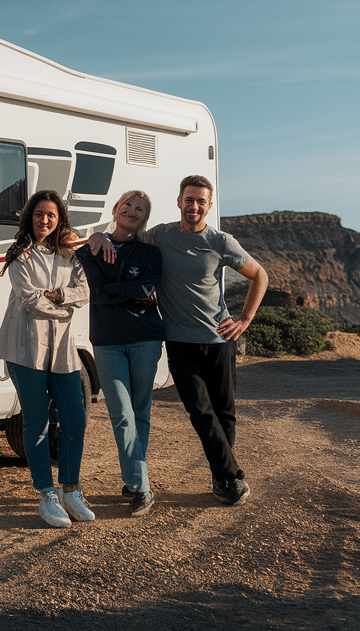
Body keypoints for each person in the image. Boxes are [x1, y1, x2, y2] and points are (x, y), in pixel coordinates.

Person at [88, 175, 268, 506]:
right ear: (179, 201)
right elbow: (127, 230)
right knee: (201, 413)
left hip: (219, 340)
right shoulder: (161, 236)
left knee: (224, 413)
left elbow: (260, 275)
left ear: (209, 205)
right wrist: (96, 234)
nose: (194, 206)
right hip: (179, 342)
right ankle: (231, 475)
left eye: (201, 201)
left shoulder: (221, 241)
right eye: (189, 199)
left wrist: (244, 320)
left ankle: (221, 479)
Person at [0, 190, 93, 528]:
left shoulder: (70, 255)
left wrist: (62, 296)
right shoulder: (19, 254)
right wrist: (65, 306)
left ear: (59, 218)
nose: (45, 220)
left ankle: (71, 489)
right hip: (26, 348)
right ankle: (47, 494)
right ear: (30, 216)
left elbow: (84, 291)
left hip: (63, 349)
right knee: (35, 423)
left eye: (51, 215)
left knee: (75, 418)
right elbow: (30, 299)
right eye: (39, 214)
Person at [75, 191, 165, 517]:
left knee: (140, 412)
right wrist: (124, 291)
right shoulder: (93, 249)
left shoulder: (150, 253)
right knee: (122, 414)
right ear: (115, 210)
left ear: (143, 219)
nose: (132, 211)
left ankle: (133, 479)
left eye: (139, 209)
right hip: (107, 341)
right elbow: (95, 293)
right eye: (127, 205)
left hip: (146, 339)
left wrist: (117, 291)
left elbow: (145, 289)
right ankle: (141, 486)